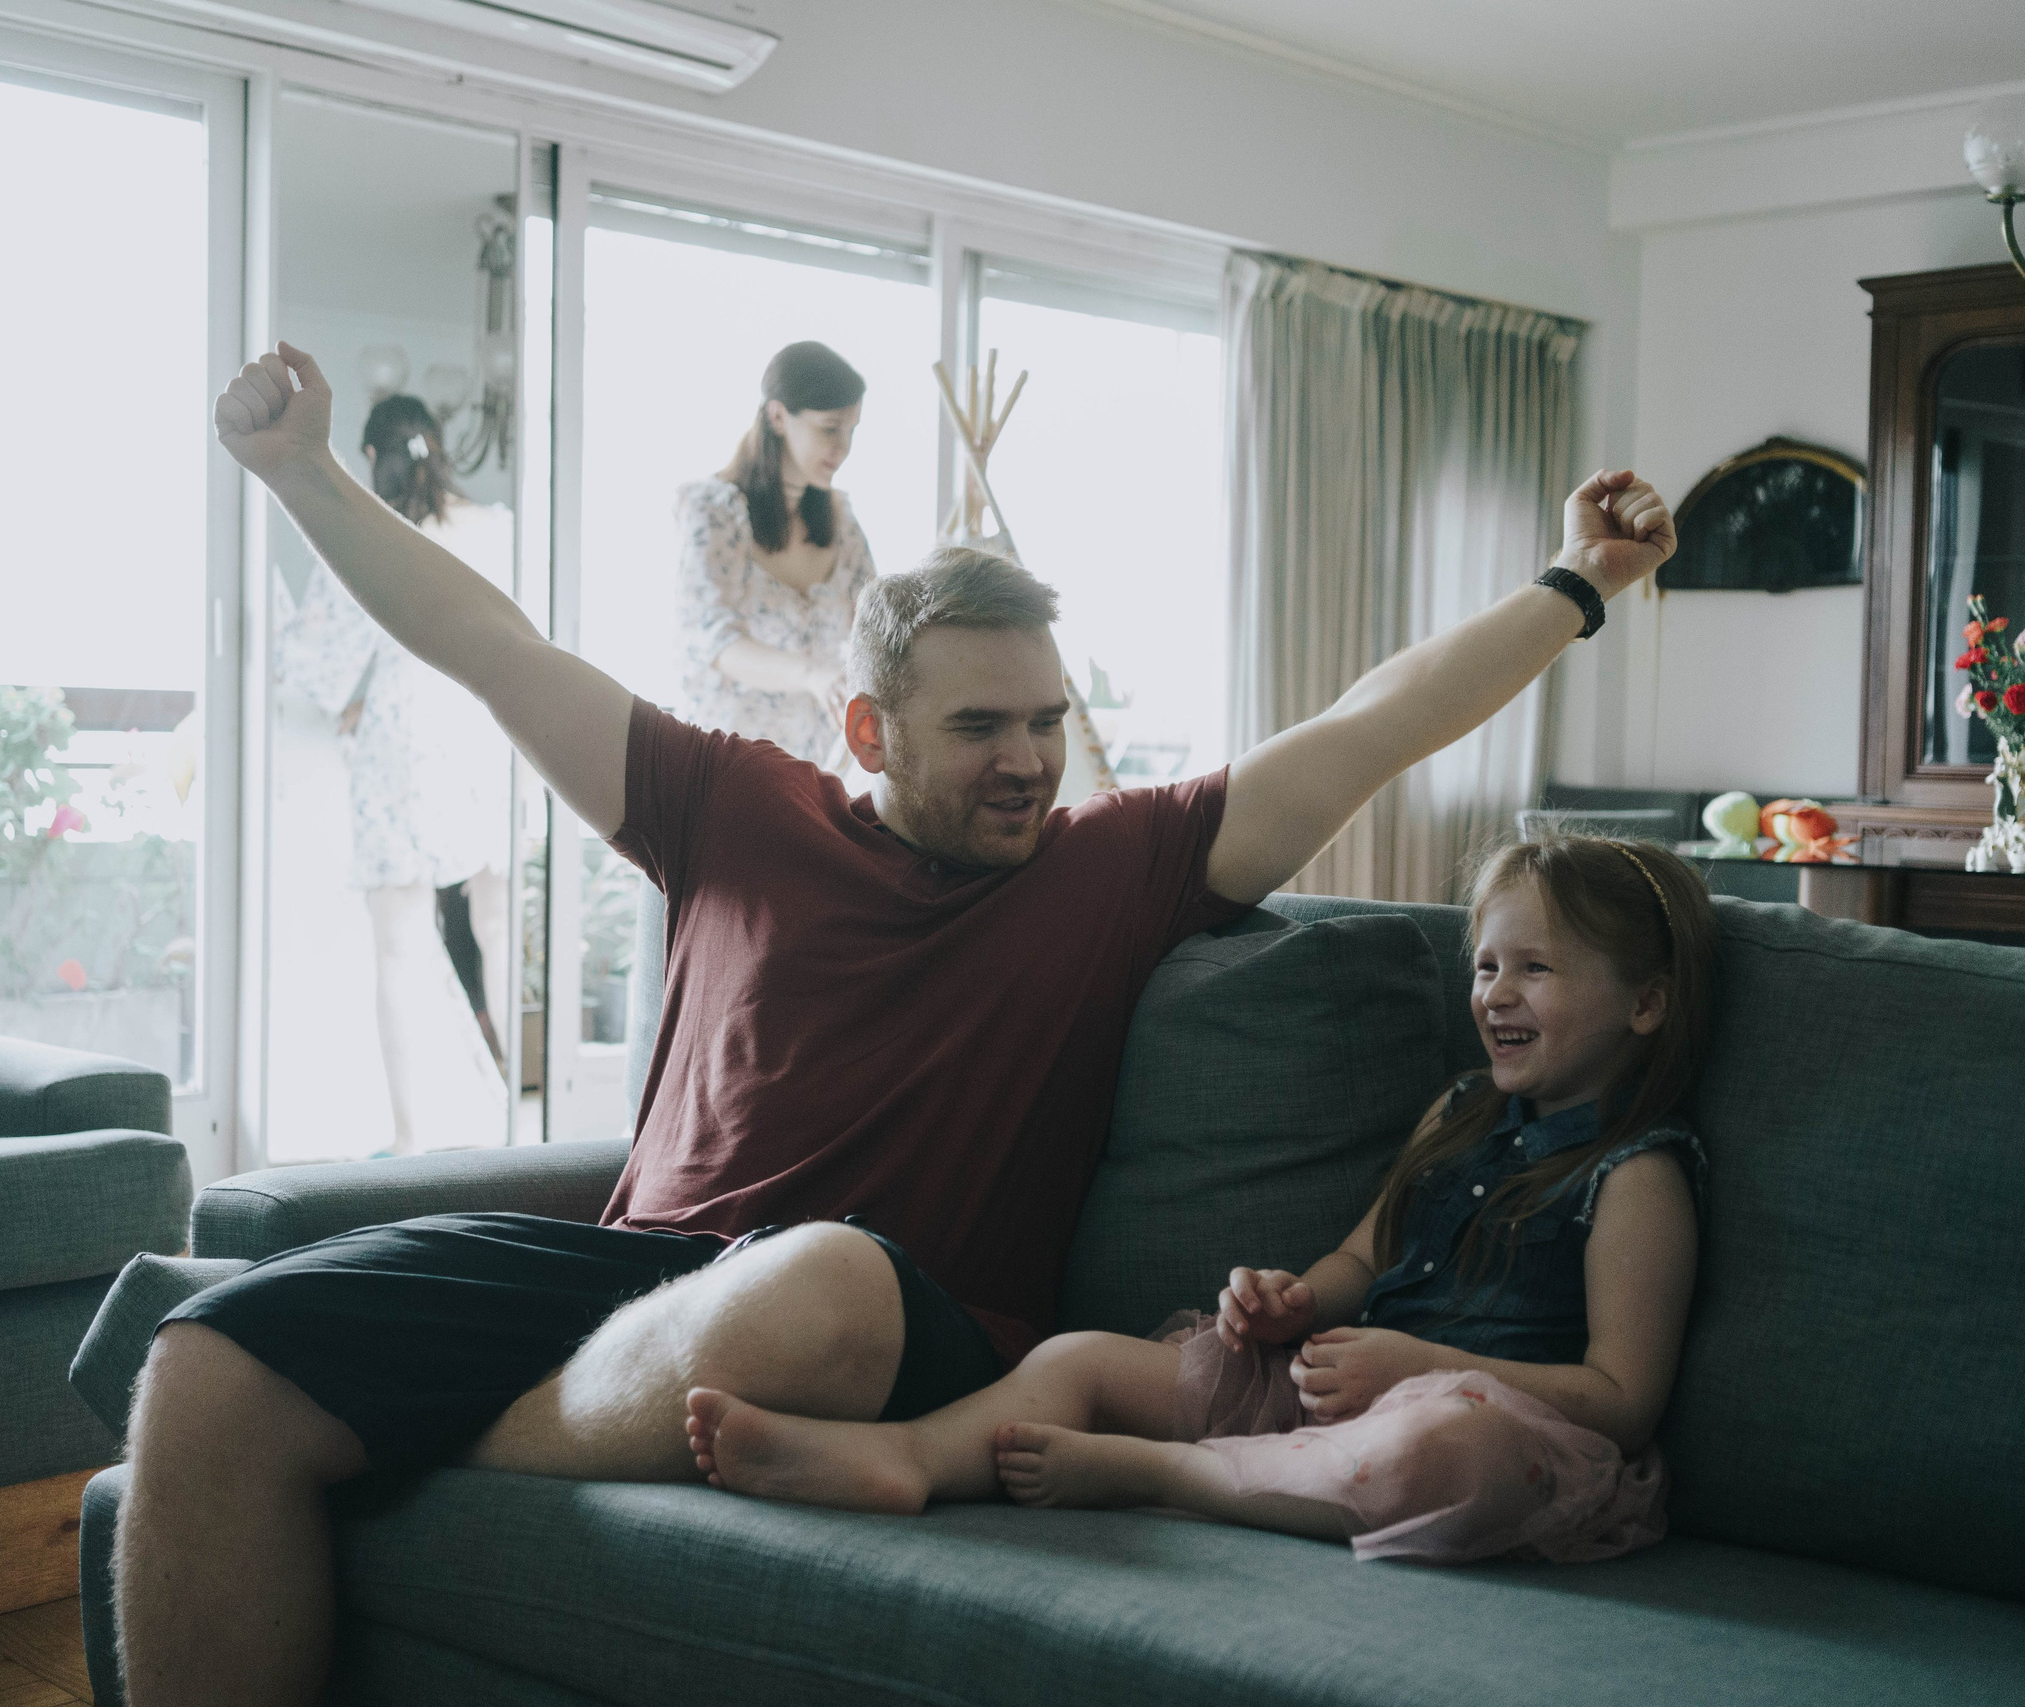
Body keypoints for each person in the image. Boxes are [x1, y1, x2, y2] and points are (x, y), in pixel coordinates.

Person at [120, 342, 1675, 1706]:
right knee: (201, 1365)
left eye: (1050, 721)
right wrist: (302, 470)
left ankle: (410, 1432)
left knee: (827, 1277)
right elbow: (490, 644)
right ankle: (390, 1409)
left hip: (894, 1319)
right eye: (982, 726)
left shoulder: (1115, 869)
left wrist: (1577, 587)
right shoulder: (727, 802)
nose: (1030, 762)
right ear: (868, 726)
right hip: (629, 1281)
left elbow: (1370, 723)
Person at [684, 837, 1712, 1567]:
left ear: (1646, 1002)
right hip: (1335, 1387)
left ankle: (1159, 1476)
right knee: (1077, 1359)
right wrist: (1292, 1303)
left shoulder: (1636, 1175)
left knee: (1437, 1451)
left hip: (1491, 1431)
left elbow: (1621, 1400)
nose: (1494, 993)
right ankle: (907, 1456)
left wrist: (1426, 1368)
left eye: (1535, 969)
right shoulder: (1457, 1112)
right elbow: (1359, 1263)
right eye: (1486, 965)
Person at [278, 394, 513, 1151]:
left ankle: (412, 1142)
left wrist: (347, 696)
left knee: (403, 944)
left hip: (405, 744)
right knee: (499, 923)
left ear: (372, 459)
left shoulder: (371, 536)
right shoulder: (499, 528)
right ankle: (525, 1123)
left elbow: (317, 663)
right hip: (491, 731)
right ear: (440, 448)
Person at [676, 340, 877, 760]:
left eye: (852, 431)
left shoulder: (842, 520)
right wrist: (812, 675)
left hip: (815, 766)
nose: (844, 448)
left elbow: (877, 625)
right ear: (778, 416)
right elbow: (713, 640)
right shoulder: (714, 510)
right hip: (730, 761)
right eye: (830, 428)